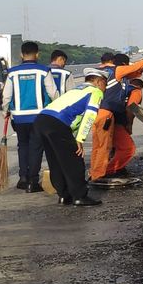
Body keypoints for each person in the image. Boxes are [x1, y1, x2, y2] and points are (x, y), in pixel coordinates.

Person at [33, 68, 106, 206]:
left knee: (56, 160)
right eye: (105, 85)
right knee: (74, 160)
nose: (105, 89)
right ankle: (79, 196)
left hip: (42, 120)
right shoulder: (95, 92)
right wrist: (80, 139)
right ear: (99, 81)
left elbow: (75, 118)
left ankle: (63, 195)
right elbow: (90, 116)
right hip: (56, 124)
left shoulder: (77, 89)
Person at [91, 53, 143, 183]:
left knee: (110, 147)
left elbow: (135, 71)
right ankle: (98, 174)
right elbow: (135, 68)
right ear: (123, 65)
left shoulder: (109, 74)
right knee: (103, 147)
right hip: (106, 114)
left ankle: (103, 171)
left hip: (108, 115)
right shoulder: (118, 71)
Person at [3, 41, 59, 193]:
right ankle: (33, 182)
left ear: (21, 54)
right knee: (36, 148)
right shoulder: (43, 71)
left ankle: (23, 178)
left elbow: (6, 96)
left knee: (23, 146)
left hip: (19, 118)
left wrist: (5, 111)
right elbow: (53, 93)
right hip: (39, 117)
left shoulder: (12, 73)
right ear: (37, 54)